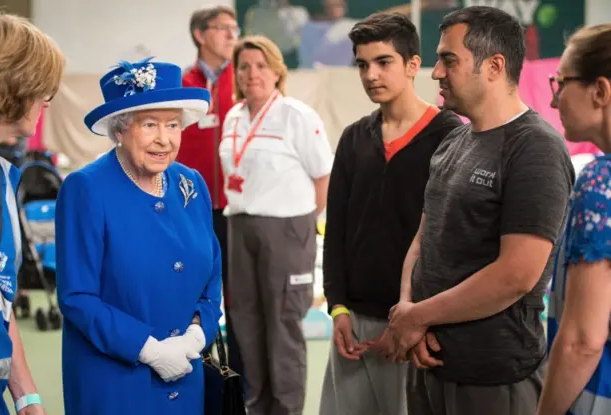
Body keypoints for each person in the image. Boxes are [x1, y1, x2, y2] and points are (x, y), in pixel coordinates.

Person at [387, 6, 575, 415]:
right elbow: (424, 237)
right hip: (429, 365)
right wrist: (408, 311)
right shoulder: (455, 141)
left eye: (448, 59)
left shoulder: (534, 149)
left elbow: (516, 275)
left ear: (494, 66)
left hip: (491, 379)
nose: (436, 72)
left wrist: (416, 316)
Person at [55, 58, 221, 414]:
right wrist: (150, 350)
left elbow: (213, 276)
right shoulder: (86, 188)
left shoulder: (191, 183)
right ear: (119, 129)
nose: (164, 139)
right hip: (114, 384)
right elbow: (76, 296)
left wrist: (195, 336)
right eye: (150, 125)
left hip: (186, 376)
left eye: (173, 125)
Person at [319, 11, 462, 415]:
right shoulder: (353, 138)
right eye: (362, 64)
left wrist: (415, 321)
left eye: (383, 62)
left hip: (416, 324)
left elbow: (449, 240)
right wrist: (338, 307)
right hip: (354, 322)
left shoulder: (450, 135)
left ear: (413, 65)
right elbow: (338, 231)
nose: (370, 75)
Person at [220, 35, 333, 415]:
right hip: (239, 227)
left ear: (276, 71)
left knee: (283, 329)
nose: (252, 74)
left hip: (286, 230)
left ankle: (286, 410)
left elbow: (323, 177)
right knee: (246, 324)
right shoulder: (233, 117)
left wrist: (303, 225)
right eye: (244, 66)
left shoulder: (296, 115)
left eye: (260, 65)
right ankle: (256, 406)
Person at [0, 11, 65, 415]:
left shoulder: (4, 176)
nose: (47, 100)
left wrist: (26, 396)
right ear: (11, 85)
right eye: (42, 88)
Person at [538, 24, 611, 415]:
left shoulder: (601, 182)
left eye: (560, 84)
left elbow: (583, 339)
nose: (553, 102)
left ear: (600, 91)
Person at [177, 5, 245, 381]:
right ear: (201, 35)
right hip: (193, 209)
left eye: (235, 28)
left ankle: (237, 379)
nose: (232, 35)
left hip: (237, 209)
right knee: (194, 291)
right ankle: (195, 372)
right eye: (223, 28)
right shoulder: (183, 85)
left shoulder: (245, 80)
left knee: (237, 300)